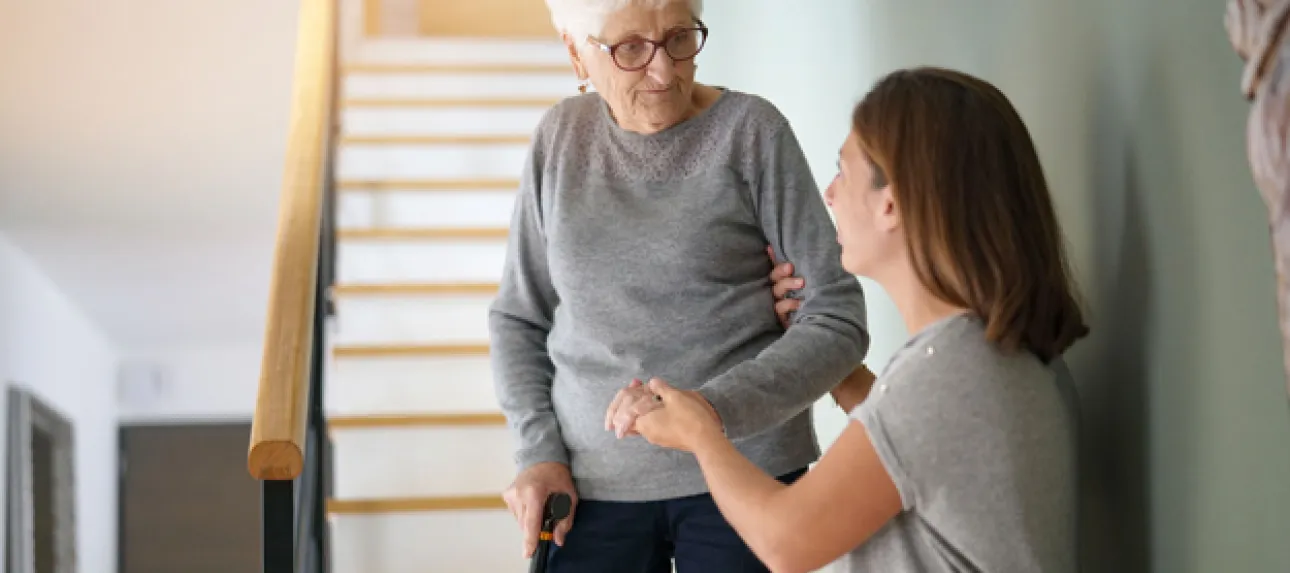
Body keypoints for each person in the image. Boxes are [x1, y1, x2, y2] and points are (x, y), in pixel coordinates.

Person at [635, 67, 1089, 573]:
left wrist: (701, 433)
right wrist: (838, 367)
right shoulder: (988, 356)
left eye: (843, 172)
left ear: (890, 203)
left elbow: (785, 542)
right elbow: (916, 447)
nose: (829, 194)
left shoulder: (947, 375)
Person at [487, 0, 875, 569]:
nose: (664, 71)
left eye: (679, 39)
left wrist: (705, 416)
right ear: (577, 52)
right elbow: (518, 318)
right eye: (631, 49)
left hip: (747, 468)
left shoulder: (751, 132)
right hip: (592, 484)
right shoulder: (559, 140)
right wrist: (537, 452)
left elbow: (836, 318)